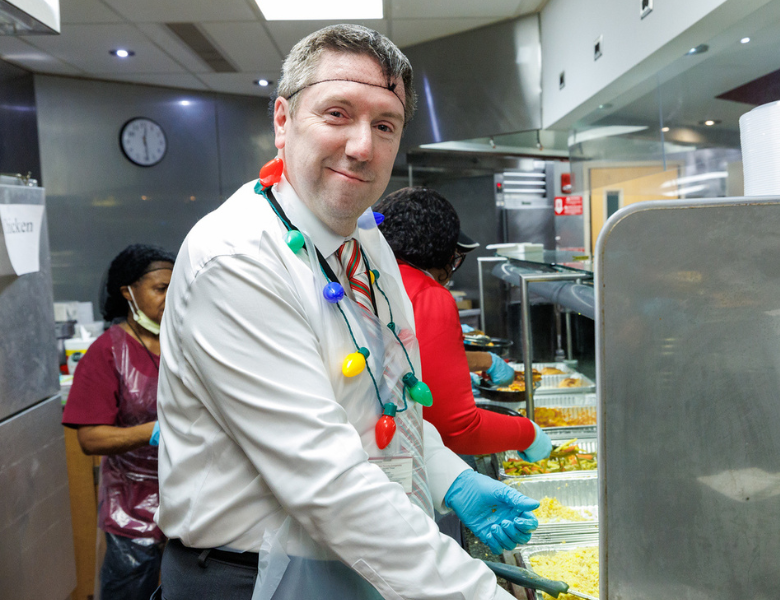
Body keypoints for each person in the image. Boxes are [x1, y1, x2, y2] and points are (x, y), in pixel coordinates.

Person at [154, 24, 538, 600]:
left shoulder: (364, 236)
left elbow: (387, 401)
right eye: (337, 113)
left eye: (385, 125)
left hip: (341, 564)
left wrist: (448, 476)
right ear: (283, 120)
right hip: (248, 578)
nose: (363, 146)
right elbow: (328, 480)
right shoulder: (235, 260)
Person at [377, 187, 553, 460]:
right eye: (454, 255)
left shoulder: (374, 275)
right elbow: (457, 429)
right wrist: (528, 432)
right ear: (440, 247)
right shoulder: (428, 295)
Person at [61, 243, 174, 600]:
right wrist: (153, 432)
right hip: (132, 511)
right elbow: (90, 439)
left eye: (176, 286)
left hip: (191, 502)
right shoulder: (108, 351)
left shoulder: (186, 342)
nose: (171, 297)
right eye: (160, 289)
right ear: (129, 292)